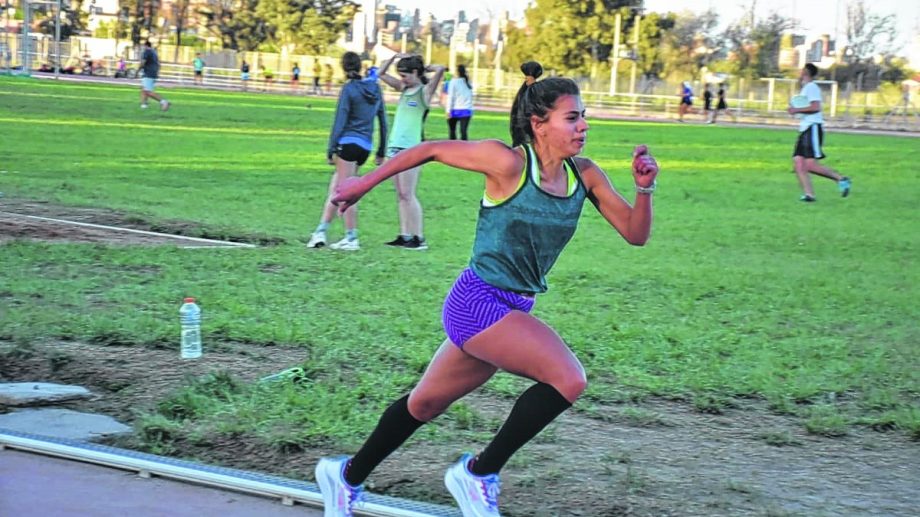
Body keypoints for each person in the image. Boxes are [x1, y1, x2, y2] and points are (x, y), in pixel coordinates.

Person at [315, 60, 659, 517]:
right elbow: (431, 148)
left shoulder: (585, 175)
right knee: (568, 379)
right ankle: (478, 474)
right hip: (478, 302)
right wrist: (363, 183)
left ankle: (344, 476)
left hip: (513, 305)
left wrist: (644, 189)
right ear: (539, 124)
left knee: (425, 404)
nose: (584, 126)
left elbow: (635, 234)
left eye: (583, 117)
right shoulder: (508, 162)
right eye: (572, 117)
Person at [306, 52, 388, 251]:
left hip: (348, 143)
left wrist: (331, 149)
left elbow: (340, 120)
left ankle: (351, 237)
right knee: (336, 189)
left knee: (346, 192)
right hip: (365, 146)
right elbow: (383, 120)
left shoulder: (349, 89)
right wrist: (381, 149)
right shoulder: (375, 88)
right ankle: (320, 231)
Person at [375, 53, 445, 250]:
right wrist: (394, 57)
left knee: (408, 193)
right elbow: (380, 73)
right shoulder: (403, 89)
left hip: (411, 149)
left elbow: (441, 69)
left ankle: (418, 237)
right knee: (401, 194)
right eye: (401, 76)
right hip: (394, 147)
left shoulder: (424, 93)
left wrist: (427, 67)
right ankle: (405, 235)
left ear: (415, 72)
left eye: (405, 75)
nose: (402, 79)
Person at [787, 63, 851, 202]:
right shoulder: (806, 88)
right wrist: (795, 109)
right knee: (798, 163)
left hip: (812, 128)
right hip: (805, 129)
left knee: (810, 165)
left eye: (801, 70)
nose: (799, 73)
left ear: (806, 72)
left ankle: (841, 179)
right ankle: (809, 195)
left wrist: (796, 110)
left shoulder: (812, 87)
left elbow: (815, 107)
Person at [139, 40, 170, 111]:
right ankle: (144, 106)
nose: (142, 48)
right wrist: (157, 72)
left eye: (143, 46)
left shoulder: (147, 51)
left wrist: (137, 70)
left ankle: (164, 102)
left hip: (148, 73)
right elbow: (159, 64)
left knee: (148, 91)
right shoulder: (154, 52)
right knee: (143, 89)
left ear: (146, 45)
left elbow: (143, 62)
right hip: (152, 73)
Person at [446, 64, 474, 140]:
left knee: (452, 131)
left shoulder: (453, 82)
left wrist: (448, 110)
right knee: (463, 132)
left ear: (457, 72)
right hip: (466, 110)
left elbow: (450, 97)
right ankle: (465, 146)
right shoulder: (468, 82)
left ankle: (452, 146)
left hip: (455, 110)